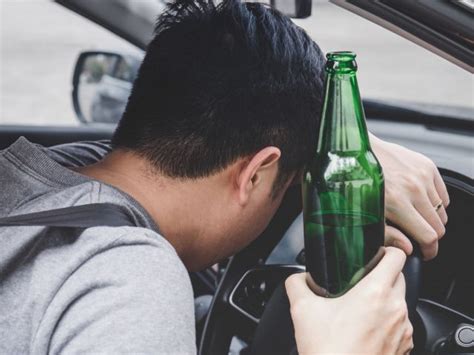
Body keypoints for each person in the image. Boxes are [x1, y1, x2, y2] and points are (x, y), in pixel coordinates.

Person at [0, 0, 449, 354]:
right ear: (255, 174)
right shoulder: (130, 281)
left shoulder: (43, 172)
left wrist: (346, 145)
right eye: (286, 186)